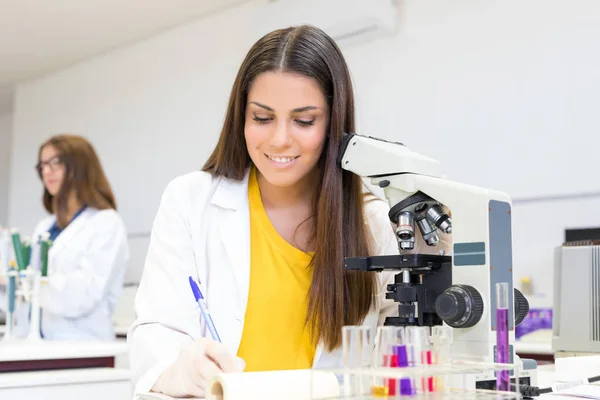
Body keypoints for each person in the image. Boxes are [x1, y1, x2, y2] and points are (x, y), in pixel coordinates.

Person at [128, 25, 448, 397]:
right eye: (262, 118)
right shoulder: (190, 201)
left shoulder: (373, 223)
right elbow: (154, 335)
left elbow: (398, 362)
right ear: (241, 117)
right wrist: (187, 371)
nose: (280, 139)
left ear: (334, 123)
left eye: (304, 120)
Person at [30, 134, 129, 340]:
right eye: (42, 165)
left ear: (80, 166)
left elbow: (84, 293)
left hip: (82, 343)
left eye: (55, 163)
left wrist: (30, 283)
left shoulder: (106, 224)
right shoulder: (44, 227)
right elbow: (26, 295)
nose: (46, 171)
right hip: (36, 343)